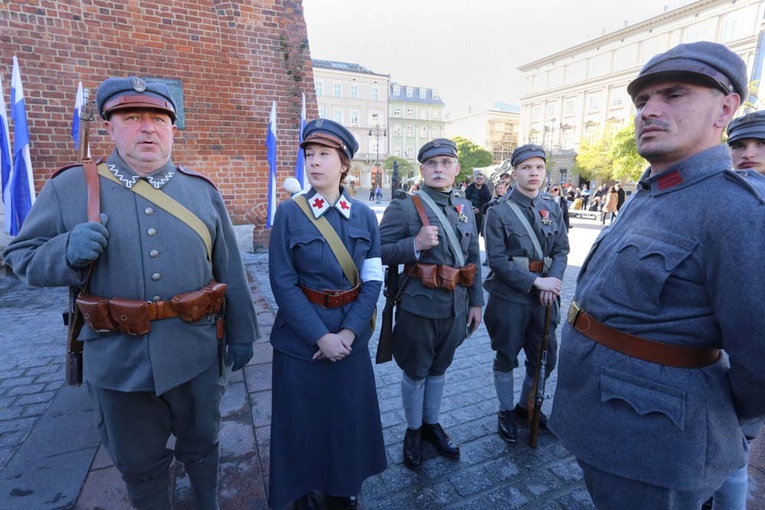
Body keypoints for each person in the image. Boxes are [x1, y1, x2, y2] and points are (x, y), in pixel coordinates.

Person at [2, 76, 260, 510]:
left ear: (172, 128)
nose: (147, 128)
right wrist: (66, 249)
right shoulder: (70, 188)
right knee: (139, 464)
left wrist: (242, 332)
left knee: (203, 444)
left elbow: (229, 269)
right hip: (117, 360)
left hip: (195, 352)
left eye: (158, 118)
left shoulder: (201, 191)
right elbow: (20, 257)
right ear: (109, 127)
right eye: (131, 117)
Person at [549, 41, 765, 509]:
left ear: (725, 108)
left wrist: (727, 420)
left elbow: (760, 359)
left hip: (657, 441)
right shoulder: (653, 190)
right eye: (642, 101)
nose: (649, 110)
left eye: (674, 95)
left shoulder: (737, 210)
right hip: (603, 420)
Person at [267, 119, 386, 510]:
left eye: (324, 155)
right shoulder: (289, 213)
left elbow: (372, 281)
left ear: (345, 164)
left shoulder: (366, 216)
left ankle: (342, 487)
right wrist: (320, 337)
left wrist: (350, 334)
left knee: (345, 419)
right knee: (300, 422)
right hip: (302, 339)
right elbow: (283, 283)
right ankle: (299, 488)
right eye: (309, 155)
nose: (314, 163)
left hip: (350, 337)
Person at [378, 138, 484, 471]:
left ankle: (431, 424)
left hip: (455, 305)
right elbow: (378, 250)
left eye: (445, 163)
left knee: (439, 370)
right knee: (416, 370)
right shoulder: (405, 206)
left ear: (456, 169)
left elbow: (472, 259)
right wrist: (415, 244)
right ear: (422, 169)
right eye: (432, 164)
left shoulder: (465, 207)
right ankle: (412, 431)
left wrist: (477, 302)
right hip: (418, 306)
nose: (439, 169)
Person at [482, 144, 569, 444]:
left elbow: (561, 250)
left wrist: (554, 281)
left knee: (544, 357)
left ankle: (526, 407)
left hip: (545, 299)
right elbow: (497, 260)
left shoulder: (552, 206)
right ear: (515, 172)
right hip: (510, 299)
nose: (534, 173)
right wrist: (536, 282)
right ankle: (506, 411)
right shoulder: (498, 211)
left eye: (539, 168)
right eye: (527, 168)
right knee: (506, 355)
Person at [704, 111, 765, 510]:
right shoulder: (716, 200)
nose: (748, 154)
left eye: (761, 145)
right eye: (739, 145)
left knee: (741, 443)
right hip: (719, 348)